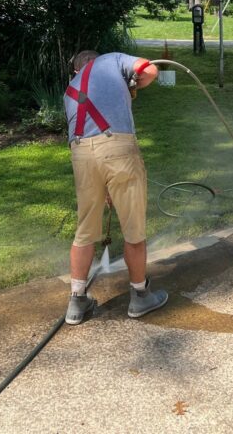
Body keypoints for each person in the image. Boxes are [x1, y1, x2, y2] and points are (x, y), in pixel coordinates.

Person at [63, 50, 168, 325]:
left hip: (81, 154)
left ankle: (76, 302)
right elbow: (151, 70)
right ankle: (139, 296)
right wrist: (134, 84)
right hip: (118, 147)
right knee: (133, 227)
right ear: (96, 61)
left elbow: (91, 141)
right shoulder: (111, 60)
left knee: (85, 229)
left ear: (76, 70)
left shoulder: (69, 91)